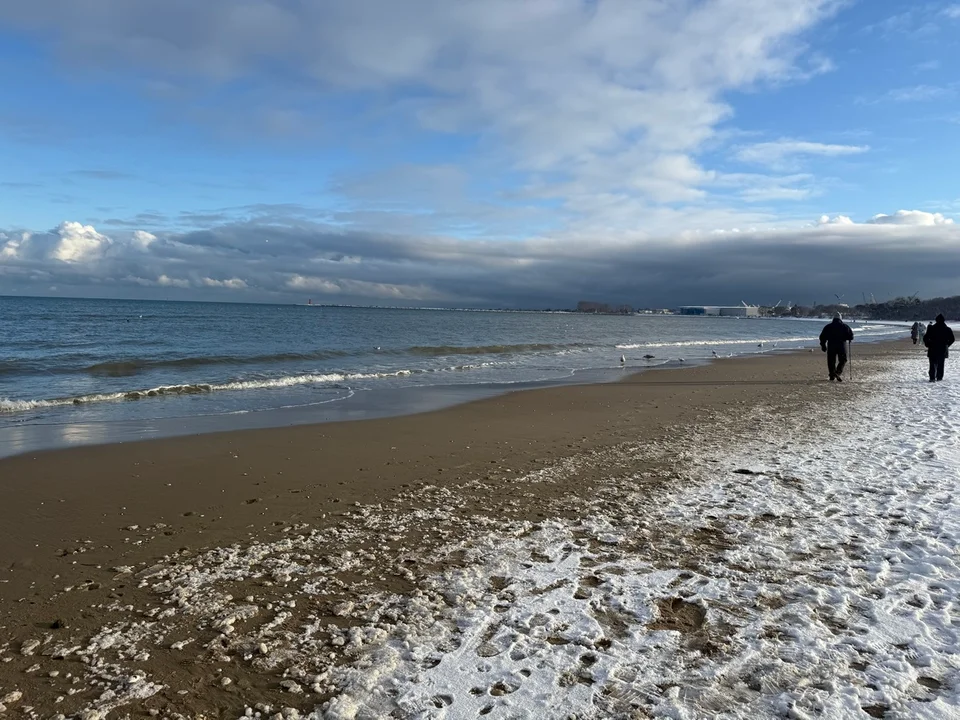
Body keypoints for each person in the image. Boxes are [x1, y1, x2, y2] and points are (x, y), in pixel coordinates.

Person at [819, 312, 854, 382]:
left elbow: (822, 337)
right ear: (841, 318)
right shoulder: (845, 326)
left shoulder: (828, 327)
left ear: (833, 319)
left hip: (831, 345)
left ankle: (832, 374)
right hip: (842, 346)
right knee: (843, 360)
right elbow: (851, 336)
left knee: (831, 361)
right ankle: (838, 372)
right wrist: (848, 338)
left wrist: (823, 345)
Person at [923, 314, 955, 382]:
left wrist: (928, 344)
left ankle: (932, 377)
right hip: (942, 349)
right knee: (940, 364)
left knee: (932, 364)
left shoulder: (931, 328)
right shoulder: (947, 329)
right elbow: (952, 339)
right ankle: (939, 377)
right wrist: (947, 345)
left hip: (932, 348)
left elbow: (925, 338)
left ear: (936, 320)